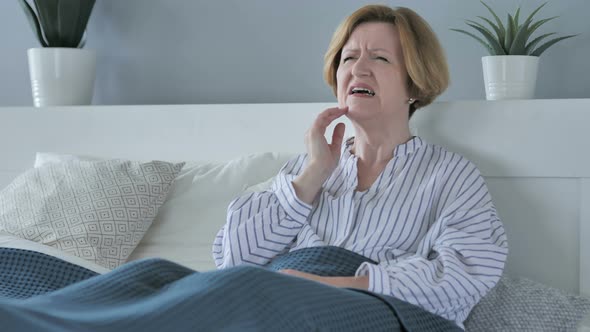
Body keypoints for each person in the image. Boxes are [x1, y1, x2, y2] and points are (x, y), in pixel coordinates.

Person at [212, 4, 507, 328]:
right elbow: (233, 261)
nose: (358, 69)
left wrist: (339, 287)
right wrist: (313, 176)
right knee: (152, 275)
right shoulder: (304, 169)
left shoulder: (452, 177)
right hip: (275, 306)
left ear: (415, 83)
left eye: (379, 58)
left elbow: (467, 272)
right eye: (349, 58)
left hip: (366, 314)